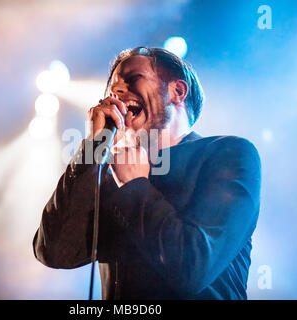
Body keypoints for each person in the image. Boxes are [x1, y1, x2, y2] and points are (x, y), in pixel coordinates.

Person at [33, 47, 261, 299]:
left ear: (178, 91)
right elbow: (54, 251)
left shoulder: (227, 153)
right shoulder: (111, 177)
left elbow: (194, 267)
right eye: (114, 87)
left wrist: (135, 185)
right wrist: (92, 148)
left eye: (132, 79)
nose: (117, 91)